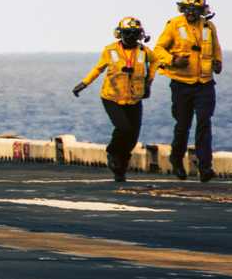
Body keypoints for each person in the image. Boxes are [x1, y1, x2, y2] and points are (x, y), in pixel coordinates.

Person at [73, 17, 176, 181]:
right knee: (123, 128)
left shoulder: (144, 51)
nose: (131, 37)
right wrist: (83, 84)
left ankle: (120, 168)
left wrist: (148, 82)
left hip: (134, 99)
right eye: (128, 33)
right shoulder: (110, 50)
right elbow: (98, 69)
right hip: (112, 98)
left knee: (133, 136)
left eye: (135, 33)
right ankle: (112, 152)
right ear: (120, 34)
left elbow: (156, 61)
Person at [155, 0, 223, 181]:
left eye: (195, 9)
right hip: (181, 84)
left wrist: (218, 62)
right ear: (183, 9)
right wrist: (173, 60)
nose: (191, 12)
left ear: (202, 11)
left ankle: (205, 166)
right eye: (188, 9)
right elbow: (159, 49)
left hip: (205, 84)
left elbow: (216, 48)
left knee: (204, 123)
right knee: (183, 125)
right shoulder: (174, 25)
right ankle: (176, 159)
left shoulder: (209, 27)